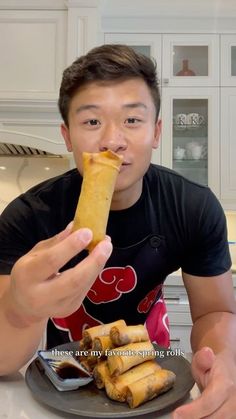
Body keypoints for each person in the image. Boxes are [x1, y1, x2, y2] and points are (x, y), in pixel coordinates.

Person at [0, 44, 236, 418]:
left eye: (132, 120)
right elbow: (2, 363)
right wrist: (19, 311)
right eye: (92, 122)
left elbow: (215, 312)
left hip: (156, 373)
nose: (112, 140)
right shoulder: (27, 217)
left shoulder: (193, 207)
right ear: (67, 136)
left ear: (156, 131)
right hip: (63, 379)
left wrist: (223, 361)